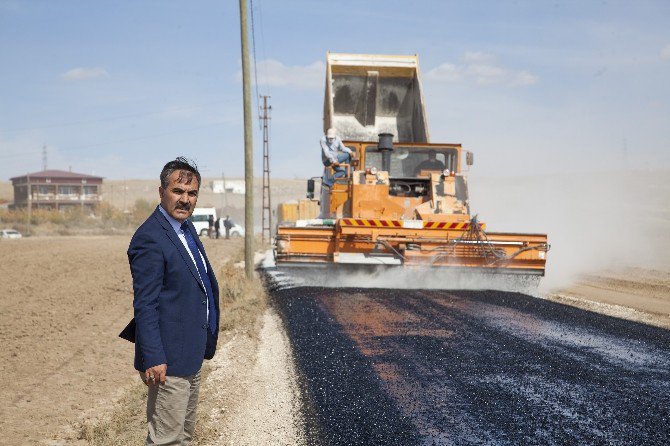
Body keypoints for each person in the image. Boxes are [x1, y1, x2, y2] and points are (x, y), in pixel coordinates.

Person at [122, 157, 219, 445]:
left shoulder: (185, 230)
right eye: (178, 191)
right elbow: (145, 304)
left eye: (192, 194)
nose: (185, 200)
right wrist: (153, 357)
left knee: (183, 437)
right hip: (168, 362)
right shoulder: (150, 238)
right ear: (161, 192)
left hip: (190, 353)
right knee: (167, 441)